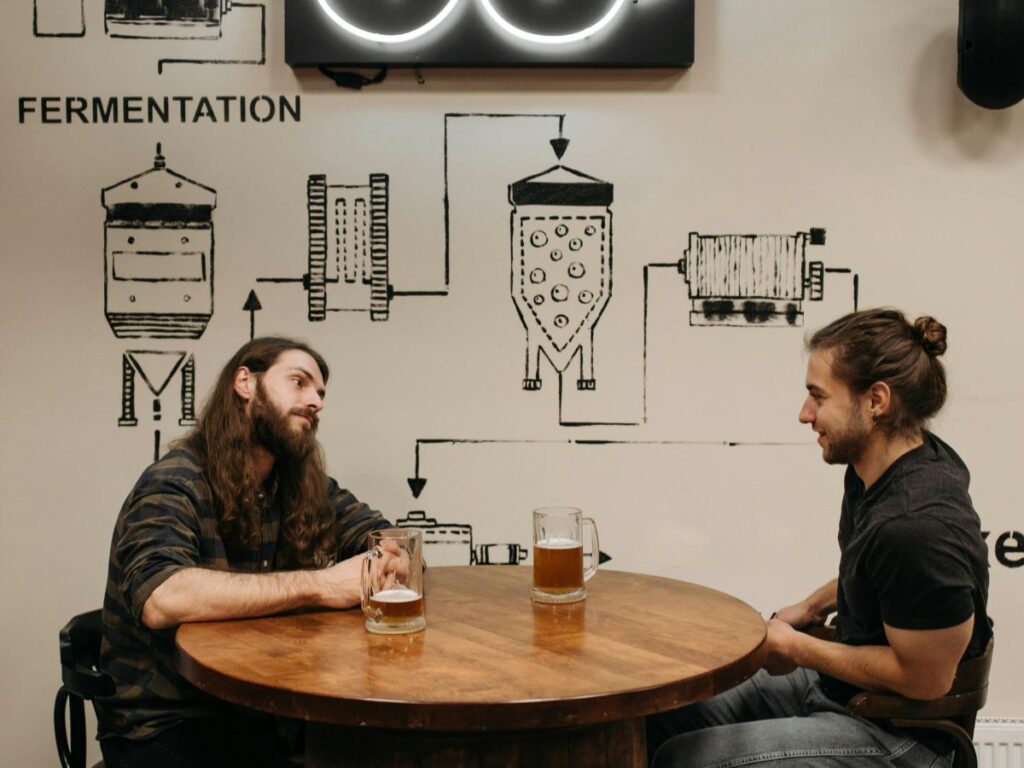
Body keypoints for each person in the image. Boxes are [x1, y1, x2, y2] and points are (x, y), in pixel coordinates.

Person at [647, 308, 993, 767]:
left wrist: (798, 647)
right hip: (849, 692)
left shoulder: (916, 527)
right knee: (661, 716)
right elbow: (883, 575)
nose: (804, 414)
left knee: (682, 759)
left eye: (818, 396)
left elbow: (925, 680)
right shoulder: (879, 468)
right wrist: (812, 607)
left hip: (905, 735)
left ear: (876, 400)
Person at [96, 337, 394, 768]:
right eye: (299, 382)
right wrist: (324, 585)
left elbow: (375, 531)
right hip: (168, 721)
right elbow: (160, 596)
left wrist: (392, 554)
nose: (315, 401)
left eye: (321, 393)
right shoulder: (176, 480)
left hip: (262, 713)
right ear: (245, 383)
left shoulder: (295, 482)